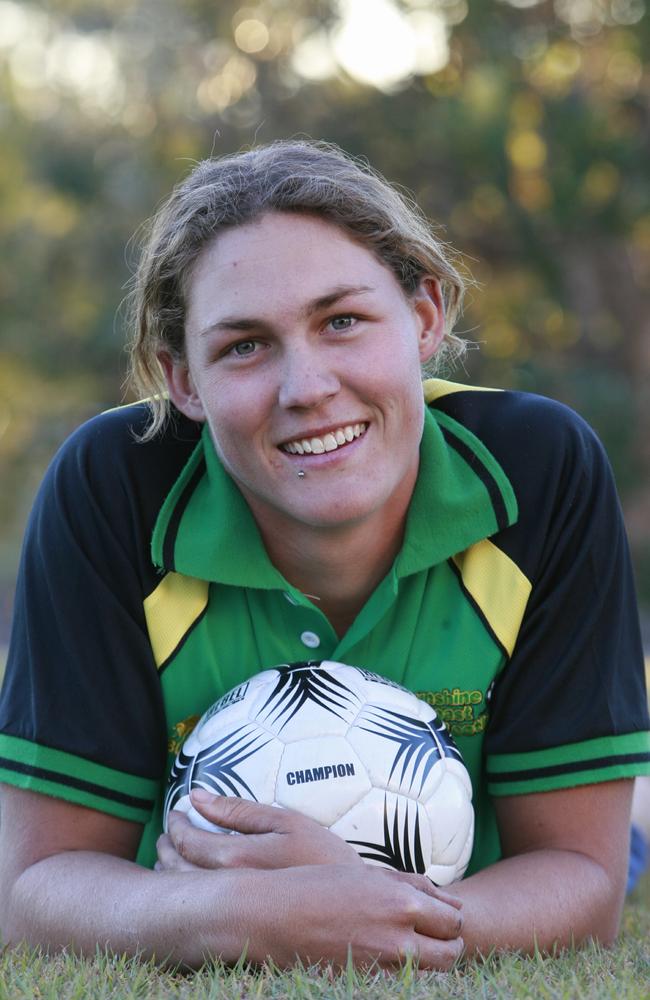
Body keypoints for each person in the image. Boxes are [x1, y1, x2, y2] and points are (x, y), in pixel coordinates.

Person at [0, 140, 648, 970]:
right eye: (244, 346)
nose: (306, 388)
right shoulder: (111, 490)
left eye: (341, 321)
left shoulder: (539, 470)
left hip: (481, 872)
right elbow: (36, 886)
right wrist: (234, 915)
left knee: (621, 845)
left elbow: (578, 879)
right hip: (206, 893)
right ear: (182, 380)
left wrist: (376, 919)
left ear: (425, 319)